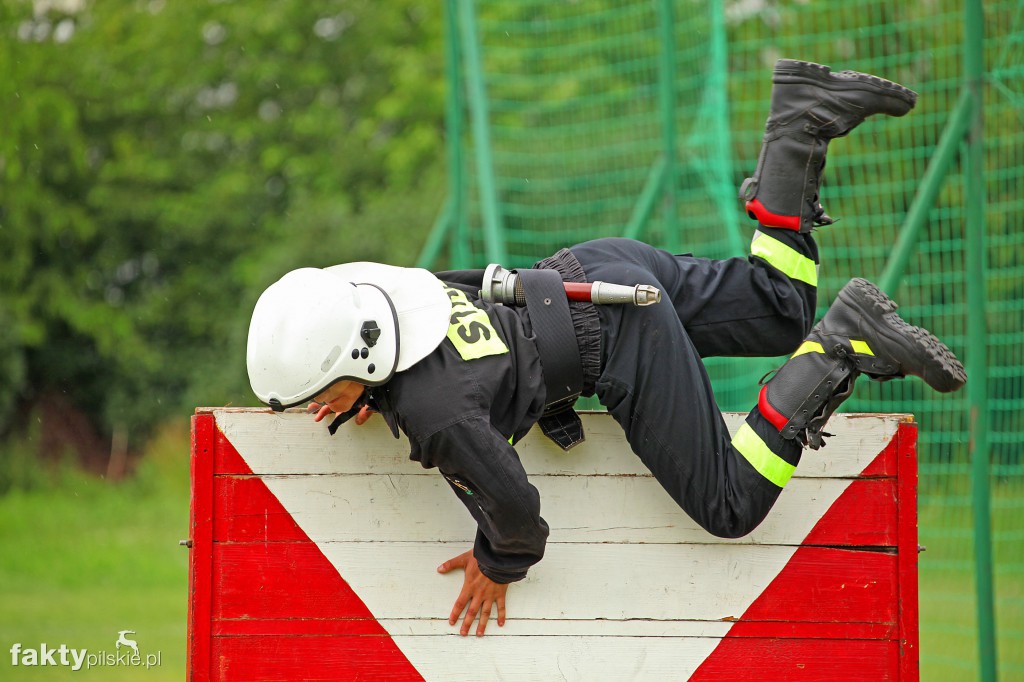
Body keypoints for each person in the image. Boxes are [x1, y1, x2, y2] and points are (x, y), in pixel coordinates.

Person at [245, 60, 966, 637]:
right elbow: (448, 330)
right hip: (590, 269)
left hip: (617, 333)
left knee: (730, 504)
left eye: (321, 392)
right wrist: (370, 392)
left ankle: (838, 345)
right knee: (779, 308)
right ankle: (800, 126)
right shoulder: (406, 298)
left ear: (362, 358)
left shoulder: (438, 418)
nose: (318, 407)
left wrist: (499, 562)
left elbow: (519, 512)